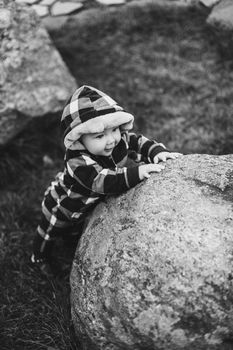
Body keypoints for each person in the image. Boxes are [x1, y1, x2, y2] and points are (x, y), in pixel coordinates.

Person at [31, 85, 181, 275]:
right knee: (50, 231)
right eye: (99, 136)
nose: (111, 140)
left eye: (114, 130)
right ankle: (39, 257)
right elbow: (102, 181)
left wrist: (157, 152)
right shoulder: (77, 161)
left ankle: (70, 243)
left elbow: (138, 142)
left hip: (87, 205)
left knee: (74, 231)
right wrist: (137, 172)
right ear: (79, 140)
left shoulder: (117, 141)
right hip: (64, 205)